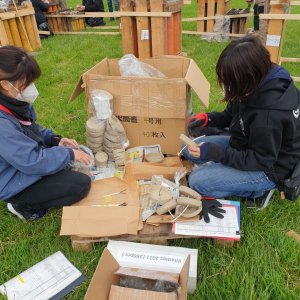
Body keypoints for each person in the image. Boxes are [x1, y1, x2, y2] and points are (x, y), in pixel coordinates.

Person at [184, 35, 300, 202]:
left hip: (267, 169)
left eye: (230, 82)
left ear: (246, 78)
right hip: (246, 144)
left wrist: (218, 154)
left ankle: (256, 192)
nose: (226, 86)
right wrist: (208, 119)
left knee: (198, 182)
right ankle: (224, 173)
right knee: (189, 149)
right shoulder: (256, 81)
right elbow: (230, 114)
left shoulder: (268, 116)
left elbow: (259, 160)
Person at [0, 46, 92, 221]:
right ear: (5, 84)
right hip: (11, 179)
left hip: (21, 165)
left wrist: (55, 140)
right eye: (26, 84)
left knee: (69, 168)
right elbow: (31, 161)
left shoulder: (13, 100)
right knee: (80, 185)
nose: (30, 88)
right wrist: (69, 153)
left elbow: (31, 129)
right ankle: (20, 203)